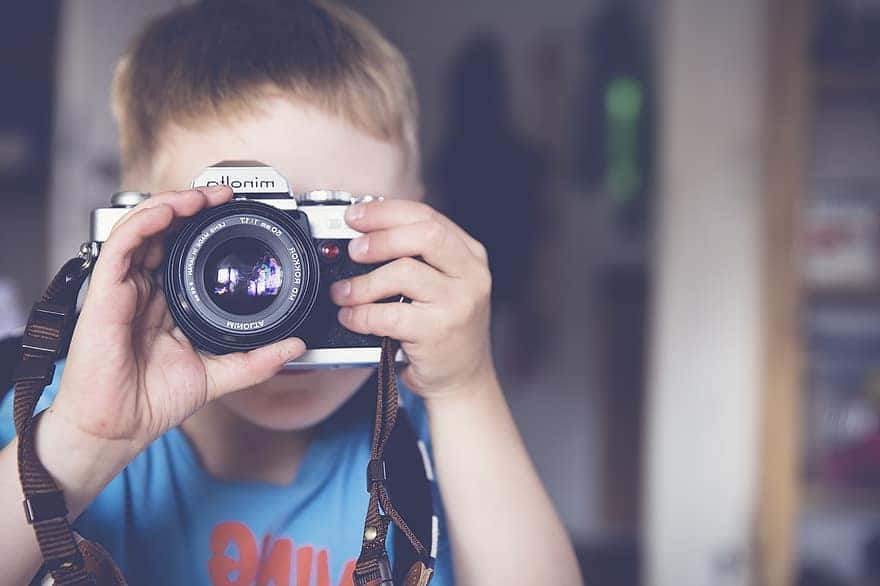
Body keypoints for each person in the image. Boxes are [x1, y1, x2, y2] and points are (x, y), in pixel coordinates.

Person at [0, 2, 583, 585]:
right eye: (234, 240)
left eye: (326, 234)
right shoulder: (66, 416)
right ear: (138, 234)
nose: (286, 300)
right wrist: (79, 446)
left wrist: (464, 385)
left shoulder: (428, 438)